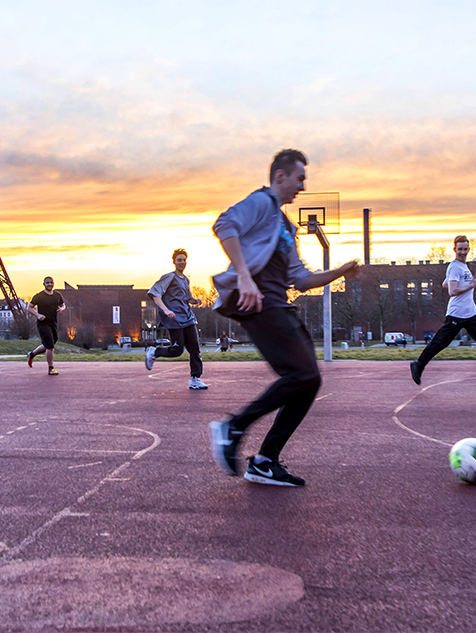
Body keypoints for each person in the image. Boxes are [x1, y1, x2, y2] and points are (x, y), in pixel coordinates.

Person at [208, 148, 360, 487]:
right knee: (302, 373)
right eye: (300, 179)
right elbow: (224, 224)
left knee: (309, 380)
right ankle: (233, 427)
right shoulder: (262, 203)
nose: (302, 187)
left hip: (280, 302)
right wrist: (244, 276)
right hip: (257, 300)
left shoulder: (286, 227)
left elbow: (302, 279)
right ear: (281, 176)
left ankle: (264, 461)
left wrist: (339, 271)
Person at [410, 236, 476, 391]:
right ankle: (418, 365)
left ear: (468, 249)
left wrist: (462, 282)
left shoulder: (463, 267)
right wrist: (471, 285)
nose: (463, 252)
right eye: (460, 249)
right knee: (440, 343)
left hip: (471, 312)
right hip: (457, 313)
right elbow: (452, 291)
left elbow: (446, 284)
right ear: (455, 250)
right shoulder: (455, 266)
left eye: (465, 249)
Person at [145, 249, 207, 389]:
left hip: (188, 317)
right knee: (177, 351)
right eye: (179, 260)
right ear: (174, 261)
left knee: (194, 349)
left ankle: (195, 379)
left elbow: (186, 298)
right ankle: (154, 351)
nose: (182, 262)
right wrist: (166, 310)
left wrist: (195, 300)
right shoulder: (168, 277)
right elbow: (154, 294)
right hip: (174, 319)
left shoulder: (185, 279)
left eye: (184, 260)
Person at [27, 277, 65, 375]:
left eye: (51, 282)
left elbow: (63, 305)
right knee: (50, 347)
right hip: (43, 324)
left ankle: (32, 354)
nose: (49, 284)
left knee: (49, 345)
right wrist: (38, 315)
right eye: (47, 283)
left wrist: (61, 309)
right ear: (43, 284)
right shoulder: (39, 296)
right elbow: (29, 308)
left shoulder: (57, 295)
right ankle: (51, 369)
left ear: (53, 284)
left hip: (53, 323)